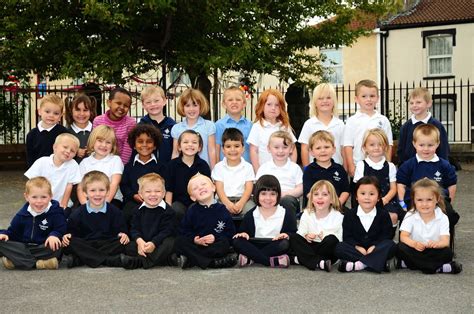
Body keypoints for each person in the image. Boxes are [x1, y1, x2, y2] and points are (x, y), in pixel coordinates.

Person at [397, 124, 459, 234]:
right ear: (414, 144)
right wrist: (403, 204)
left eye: (430, 145)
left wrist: (448, 202)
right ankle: (408, 244)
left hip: (438, 201)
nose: (426, 149)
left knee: (450, 214)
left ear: (437, 144)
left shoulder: (444, 165)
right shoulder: (408, 165)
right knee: (405, 216)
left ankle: (444, 242)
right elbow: (401, 185)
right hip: (414, 201)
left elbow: (452, 185)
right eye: (421, 145)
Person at [62, 171, 129, 268]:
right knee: (69, 242)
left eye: (101, 190)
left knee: (127, 244)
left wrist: (122, 234)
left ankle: (80, 260)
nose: (97, 194)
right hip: (86, 243)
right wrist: (68, 235)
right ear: (85, 193)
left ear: (108, 192)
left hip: (107, 243)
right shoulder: (77, 213)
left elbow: (122, 231)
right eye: (92, 190)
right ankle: (111, 260)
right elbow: (72, 233)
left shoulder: (115, 212)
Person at [397, 178, 462, 274]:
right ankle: (437, 268)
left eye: (429, 200)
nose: (424, 204)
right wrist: (414, 244)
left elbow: (445, 241)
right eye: (419, 200)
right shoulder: (410, 215)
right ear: (414, 200)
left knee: (448, 253)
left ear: (437, 199)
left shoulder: (443, 217)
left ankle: (410, 264)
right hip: (415, 249)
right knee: (399, 247)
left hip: (433, 251)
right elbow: (403, 236)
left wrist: (437, 244)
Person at [0, 177, 66, 270]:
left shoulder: (56, 212)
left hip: (44, 247)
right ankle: (39, 263)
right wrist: (5, 234)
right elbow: (13, 232)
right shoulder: (22, 215)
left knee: (59, 245)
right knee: (2, 242)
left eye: (43, 197)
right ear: (27, 197)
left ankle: (17, 261)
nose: (39, 201)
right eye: (34, 197)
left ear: (50, 196)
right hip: (24, 246)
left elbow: (62, 228)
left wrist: (54, 235)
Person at [232, 175, 297, 268]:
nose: (268, 198)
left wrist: (287, 235)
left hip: (275, 245)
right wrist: (243, 234)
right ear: (257, 194)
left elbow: (293, 233)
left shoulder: (286, 213)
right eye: (263, 194)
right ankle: (271, 261)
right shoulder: (251, 214)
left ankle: (251, 258)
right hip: (255, 244)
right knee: (237, 241)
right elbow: (243, 232)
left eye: (272, 194)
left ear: (278, 195)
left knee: (285, 243)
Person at [174, 174, 237, 269]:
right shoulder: (192, 211)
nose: (200, 188)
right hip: (198, 245)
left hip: (215, 245)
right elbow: (184, 231)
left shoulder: (223, 210)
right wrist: (195, 240)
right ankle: (212, 262)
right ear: (193, 198)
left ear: (213, 187)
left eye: (203, 184)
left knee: (224, 243)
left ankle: (193, 260)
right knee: (179, 242)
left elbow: (230, 232)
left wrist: (215, 237)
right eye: (195, 188)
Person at [335, 176, 396, 273]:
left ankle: (360, 264)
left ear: (379, 197)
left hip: (376, 248)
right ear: (356, 196)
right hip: (357, 249)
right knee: (340, 247)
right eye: (363, 194)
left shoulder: (383, 214)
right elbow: (347, 236)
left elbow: (387, 235)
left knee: (391, 245)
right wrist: (357, 247)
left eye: (372, 194)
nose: (367, 197)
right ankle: (377, 262)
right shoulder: (350, 214)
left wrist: (374, 246)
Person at [121, 173, 176, 269]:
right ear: (141, 194)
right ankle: (163, 260)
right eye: (148, 191)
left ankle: (140, 262)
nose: (153, 194)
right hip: (143, 242)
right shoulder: (136, 210)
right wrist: (140, 242)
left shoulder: (168, 211)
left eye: (157, 191)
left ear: (163, 193)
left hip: (159, 243)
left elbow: (166, 231)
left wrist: (154, 243)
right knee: (127, 245)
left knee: (171, 242)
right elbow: (134, 229)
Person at [353, 129, 400, 233]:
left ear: (386, 147)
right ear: (365, 147)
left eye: (380, 144)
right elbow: (358, 188)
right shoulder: (361, 165)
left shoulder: (390, 166)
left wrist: (385, 199)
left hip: (386, 201)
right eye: (372, 145)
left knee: (393, 216)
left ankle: (386, 241)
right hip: (366, 200)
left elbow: (393, 188)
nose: (376, 148)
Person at [343, 80, 393, 177]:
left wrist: (387, 163)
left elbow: (388, 144)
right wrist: (351, 166)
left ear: (378, 98)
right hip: (358, 167)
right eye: (364, 96)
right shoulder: (352, 121)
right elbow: (348, 146)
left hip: (379, 165)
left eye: (372, 96)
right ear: (356, 99)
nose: (368, 99)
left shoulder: (383, 120)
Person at [290, 180, 343, 271]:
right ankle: (318, 262)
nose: (320, 198)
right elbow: (301, 233)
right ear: (311, 199)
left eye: (325, 194)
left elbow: (340, 239)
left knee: (331, 240)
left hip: (326, 249)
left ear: (332, 199)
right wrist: (306, 236)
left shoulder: (338, 216)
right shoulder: (307, 213)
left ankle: (301, 259)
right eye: (316, 194)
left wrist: (324, 235)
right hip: (310, 245)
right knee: (294, 237)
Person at [120, 124, 165, 227]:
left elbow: (165, 186)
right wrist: (133, 195)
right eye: (140, 141)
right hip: (134, 201)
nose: (144, 145)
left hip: (156, 200)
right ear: (134, 145)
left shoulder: (161, 166)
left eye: (149, 141)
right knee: (127, 213)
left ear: (154, 146)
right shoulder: (129, 166)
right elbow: (124, 185)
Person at [24, 133, 81, 209]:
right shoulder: (41, 162)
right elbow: (31, 182)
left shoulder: (73, 165)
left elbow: (69, 186)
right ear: (55, 147)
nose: (68, 151)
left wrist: (64, 204)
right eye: (65, 147)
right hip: (39, 201)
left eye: (72, 151)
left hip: (60, 202)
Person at [165, 130, 211, 222]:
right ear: (179, 147)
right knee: (176, 209)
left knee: (195, 209)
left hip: (198, 202)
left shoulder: (203, 165)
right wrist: (168, 209)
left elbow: (208, 189)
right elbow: (169, 190)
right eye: (185, 142)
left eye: (194, 142)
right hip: (178, 203)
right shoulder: (172, 165)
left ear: (199, 147)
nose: (190, 145)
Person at [247, 89, 297, 172]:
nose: (273, 108)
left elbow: (293, 148)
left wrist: (292, 168)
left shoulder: (284, 126)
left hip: (284, 171)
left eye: (277, 105)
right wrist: (258, 172)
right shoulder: (257, 127)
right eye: (269, 104)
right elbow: (253, 151)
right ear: (262, 106)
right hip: (265, 173)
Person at [397, 87, 449, 166]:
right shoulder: (406, 127)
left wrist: (443, 169)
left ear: (429, 103)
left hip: (433, 169)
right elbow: (401, 151)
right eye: (411, 103)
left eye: (418, 102)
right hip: (411, 170)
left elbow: (443, 150)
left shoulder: (437, 125)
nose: (414, 105)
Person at [256, 131, 302, 216]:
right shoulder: (264, 168)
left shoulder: (295, 168)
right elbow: (258, 188)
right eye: (276, 147)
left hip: (289, 200)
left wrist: (285, 194)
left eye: (285, 147)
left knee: (286, 201)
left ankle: (288, 228)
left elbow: (300, 188)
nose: (280, 151)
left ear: (291, 149)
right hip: (268, 199)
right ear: (269, 149)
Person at [212, 128, 255, 218]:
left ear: (243, 148)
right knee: (217, 211)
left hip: (244, 199)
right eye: (228, 146)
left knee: (252, 210)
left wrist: (241, 203)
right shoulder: (218, 167)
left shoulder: (248, 167)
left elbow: (248, 188)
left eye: (236, 146)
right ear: (223, 150)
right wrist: (227, 203)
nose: (232, 150)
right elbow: (219, 189)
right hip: (223, 200)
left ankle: (245, 231)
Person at [299, 83, 345, 167]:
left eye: (328, 97)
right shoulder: (309, 124)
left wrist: (345, 169)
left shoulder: (340, 124)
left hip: (336, 170)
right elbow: (304, 149)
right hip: (314, 171)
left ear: (334, 101)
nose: (325, 101)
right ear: (315, 103)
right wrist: (306, 169)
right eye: (320, 98)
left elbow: (343, 149)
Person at [77, 125, 124, 209]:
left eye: (108, 142)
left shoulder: (115, 160)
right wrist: (85, 206)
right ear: (93, 141)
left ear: (113, 145)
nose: (104, 145)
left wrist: (103, 206)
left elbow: (114, 184)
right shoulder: (85, 163)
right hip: (89, 199)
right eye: (100, 141)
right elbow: (80, 187)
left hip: (111, 199)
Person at [303, 130, 350, 209]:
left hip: (336, 207)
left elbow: (345, 191)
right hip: (316, 208)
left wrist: (338, 203)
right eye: (318, 148)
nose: (323, 151)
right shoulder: (309, 170)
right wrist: (321, 204)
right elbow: (308, 193)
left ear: (334, 149)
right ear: (311, 152)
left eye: (326, 147)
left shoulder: (339, 169)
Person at [171, 88, 216, 169]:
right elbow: (175, 153)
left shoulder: (209, 126)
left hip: (203, 171)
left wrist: (213, 173)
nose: (191, 109)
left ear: (201, 106)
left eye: (195, 105)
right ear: (182, 107)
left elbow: (212, 151)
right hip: (182, 171)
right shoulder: (177, 128)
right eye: (187, 105)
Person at [93, 87, 136, 164]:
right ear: (109, 102)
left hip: (121, 165)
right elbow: (94, 144)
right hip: (99, 162)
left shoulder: (131, 123)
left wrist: (119, 167)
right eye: (118, 103)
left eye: (126, 106)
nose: (122, 107)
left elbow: (128, 149)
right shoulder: (98, 121)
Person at [26, 94, 68, 167]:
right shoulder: (31, 135)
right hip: (39, 173)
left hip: (58, 171)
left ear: (61, 115)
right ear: (39, 111)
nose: (51, 115)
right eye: (47, 111)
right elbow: (30, 157)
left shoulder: (63, 133)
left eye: (56, 113)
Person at [139, 85, 176, 163]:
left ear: (164, 101)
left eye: (156, 101)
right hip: (147, 169)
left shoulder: (172, 126)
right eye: (148, 102)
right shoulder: (140, 126)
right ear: (143, 105)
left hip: (167, 170)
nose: (153, 104)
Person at [215, 86, 252, 162]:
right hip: (225, 168)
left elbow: (253, 149)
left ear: (244, 104)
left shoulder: (250, 125)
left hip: (246, 169)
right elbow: (217, 148)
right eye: (230, 100)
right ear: (224, 104)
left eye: (238, 100)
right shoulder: (219, 125)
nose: (234, 102)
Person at [65, 94, 97, 163]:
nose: (81, 114)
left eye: (85, 110)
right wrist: (74, 151)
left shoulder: (96, 130)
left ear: (90, 112)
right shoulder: (66, 132)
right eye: (77, 110)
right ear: (71, 111)